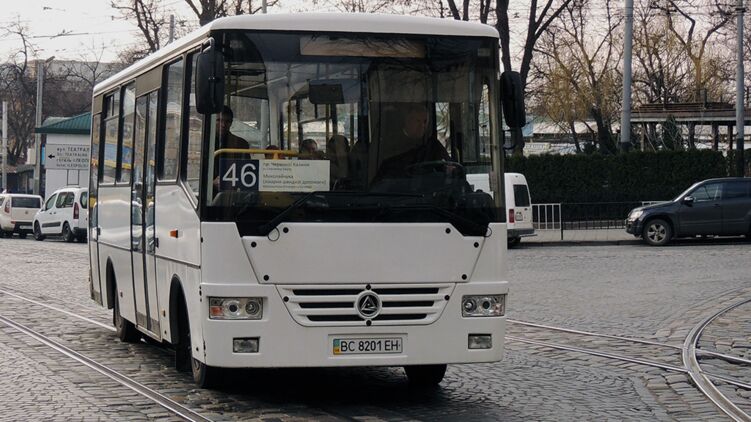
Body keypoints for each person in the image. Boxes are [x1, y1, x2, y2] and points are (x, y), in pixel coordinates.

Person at [376, 104, 449, 178]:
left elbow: (448, 162)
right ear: (407, 120)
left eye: (425, 122)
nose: (422, 125)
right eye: (418, 121)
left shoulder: (432, 144)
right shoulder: (392, 142)